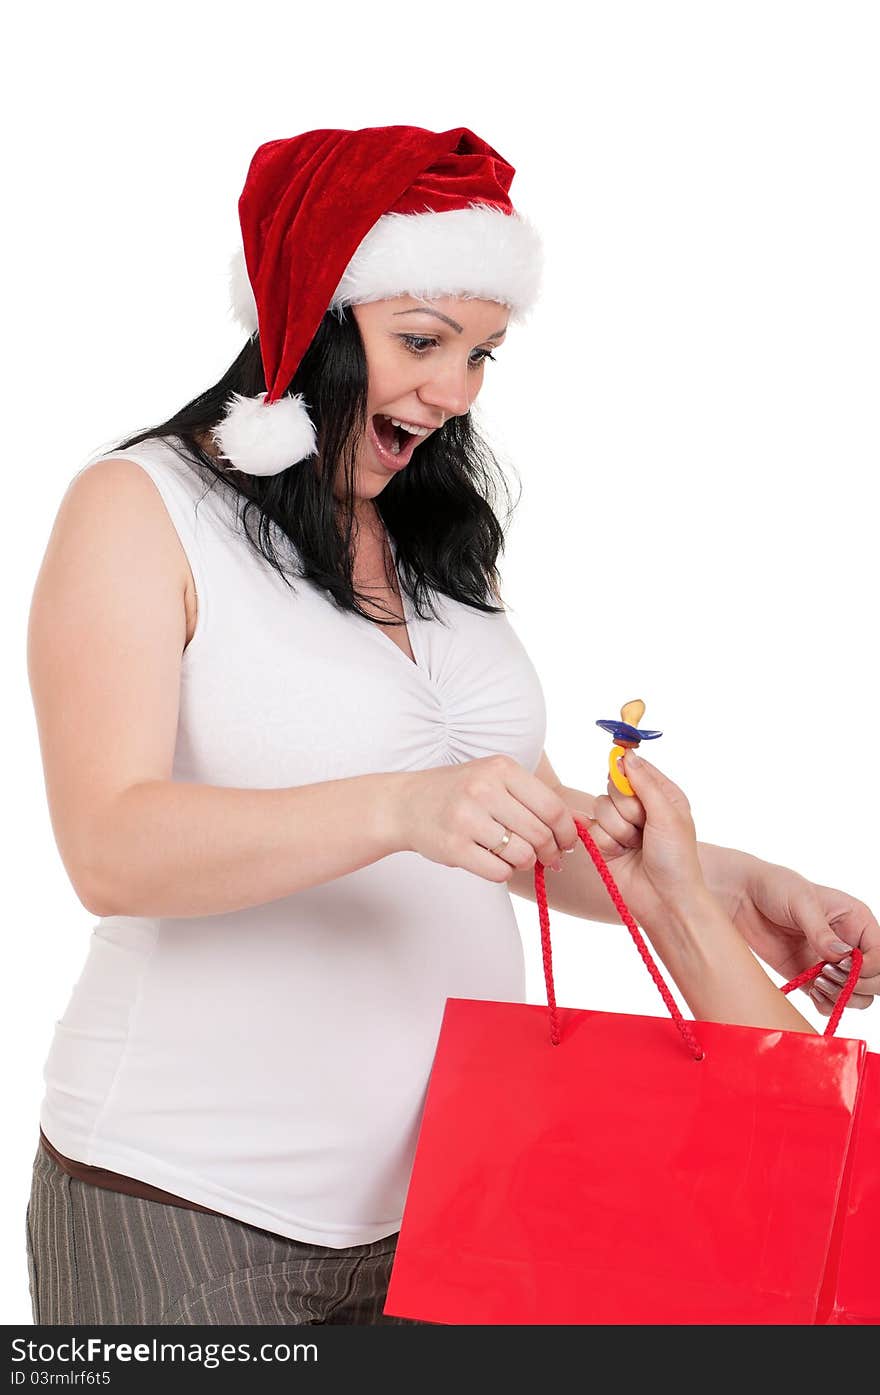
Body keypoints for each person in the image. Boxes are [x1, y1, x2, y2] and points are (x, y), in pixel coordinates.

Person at [25, 124, 878, 1327]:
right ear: (308, 318)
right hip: (189, 1202)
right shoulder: (140, 507)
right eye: (419, 342)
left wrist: (733, 888)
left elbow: (509, 820)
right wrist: (398, 807)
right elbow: (108, 850)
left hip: (458, 1195)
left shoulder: (431, 539)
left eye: (481, 353)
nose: (454, 390)